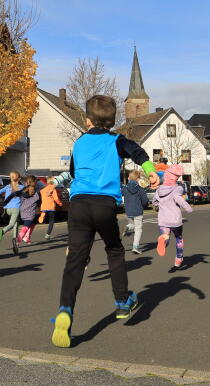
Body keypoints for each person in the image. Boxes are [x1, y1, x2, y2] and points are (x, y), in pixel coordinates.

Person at [51, 95, 159, 349]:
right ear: (112, 121)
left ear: (88, 120)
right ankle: (122, 301)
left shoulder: (78, 143)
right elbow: (137, 151)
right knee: (113, 249)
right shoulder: (116, 140)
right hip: (104, 205)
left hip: (78, 205)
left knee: (75, 259)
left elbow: (75, 173)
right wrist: (150, 170)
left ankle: (65, 309)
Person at [151, 164, 193, 270]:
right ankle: (179, 258)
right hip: (175, 220)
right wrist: (188, 209)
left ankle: (164, 239)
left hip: (163, 220)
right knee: (179, 238)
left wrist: (158, 205)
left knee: (166, 236)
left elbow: (154, 202)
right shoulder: (177, 189)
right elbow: (180, 200)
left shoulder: (159, 190)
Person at [121, 170, 149, 255]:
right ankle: (135, 247)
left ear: (129, 178)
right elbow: (145, 200)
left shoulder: (125, 188)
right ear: (138, 179)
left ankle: (128, 227)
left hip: (128, 211)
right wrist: (143, 206)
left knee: (132, 224)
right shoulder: (140, 189)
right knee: (138, 229)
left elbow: (120, 194)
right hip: (138, 211)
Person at [0, 171, 23, 243]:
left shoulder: (7, 186)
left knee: (16, 223)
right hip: (16, 209)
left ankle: (15, 240)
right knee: (12, 224)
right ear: (19, 179)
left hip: (7, 209)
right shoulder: (21, 187)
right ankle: (2, 231)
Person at [13, 176, 41, 253]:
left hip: (23, 213)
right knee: (25, 227)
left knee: (32, 223)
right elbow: (38, 201)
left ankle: (26, 237)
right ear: (34, 183)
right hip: (30, 214)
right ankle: (18, 241)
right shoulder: (36, 195)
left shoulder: (23, 192)